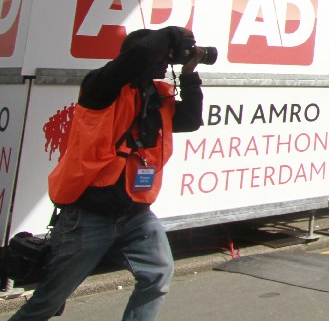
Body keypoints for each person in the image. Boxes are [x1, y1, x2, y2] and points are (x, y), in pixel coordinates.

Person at [12, 26, 205, 321]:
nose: (166, 64)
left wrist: (189, 74)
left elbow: (190, 120)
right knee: (48, 302)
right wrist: (172, 35)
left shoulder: (156, 97)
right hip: (88, 215)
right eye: (161, 57)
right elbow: (137, 56)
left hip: (135, 213)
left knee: (157, 276)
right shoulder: (101, 87)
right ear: (141, 57)